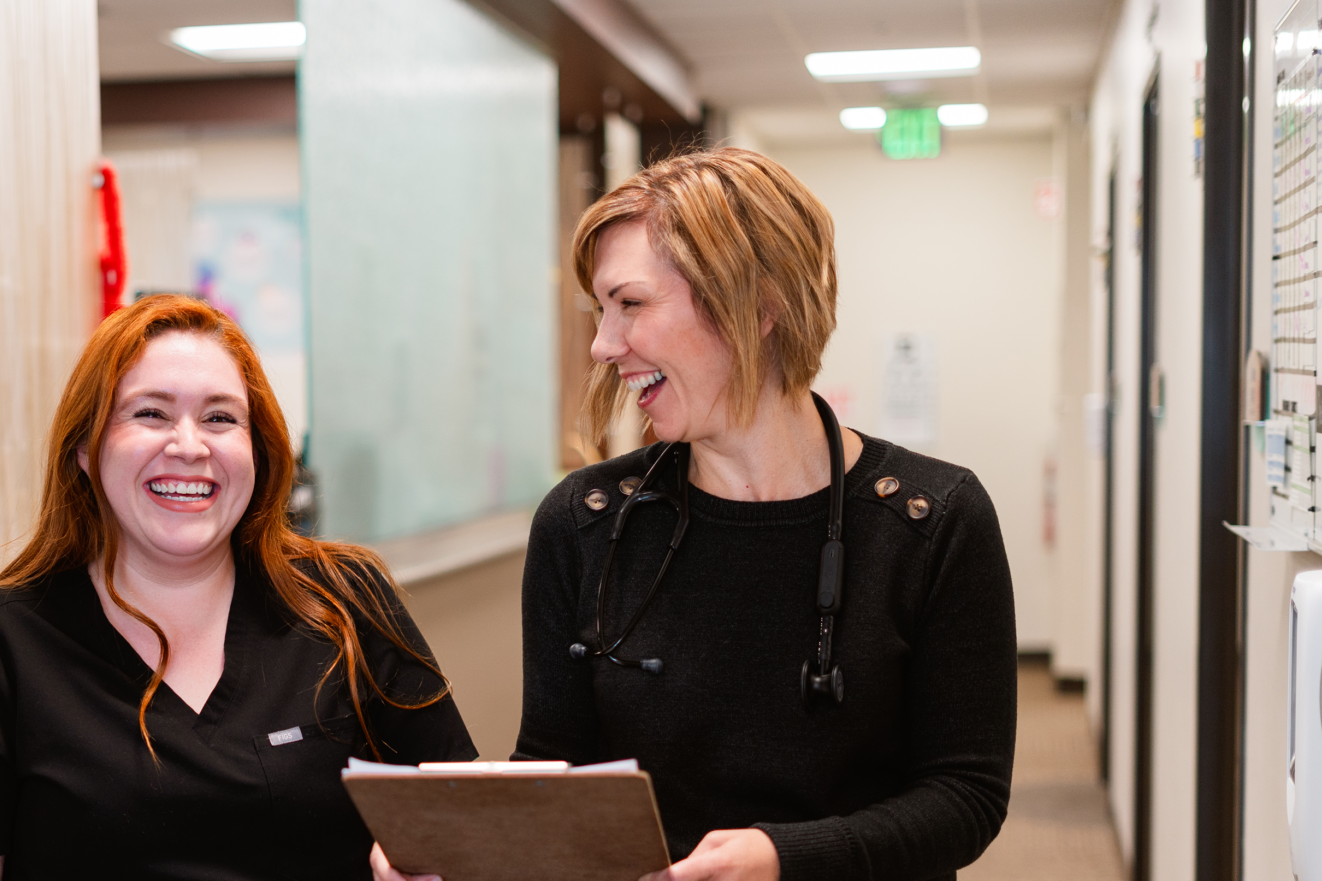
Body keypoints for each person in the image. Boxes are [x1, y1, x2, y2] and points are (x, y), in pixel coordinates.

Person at [378, 148, 1016, 881]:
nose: (602, 345)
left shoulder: (932, 522)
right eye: (600, 310)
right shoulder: (585, 525)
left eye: (632, 304)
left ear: (761, 303)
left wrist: (786, 858)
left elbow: (966, 795)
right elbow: (558, 770)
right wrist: (462, 847)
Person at [0, 294, 476, 880]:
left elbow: (464, 820)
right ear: (86, 451)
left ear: (259, 451)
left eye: (220, 418)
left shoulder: (345, 601)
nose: (190, 446)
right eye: (151, 414)